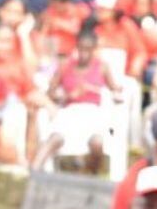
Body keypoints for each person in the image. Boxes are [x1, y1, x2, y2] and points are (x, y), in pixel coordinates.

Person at [31, 26, 124, 173]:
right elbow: (50, 94)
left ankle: (89, 176)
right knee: (54, 139)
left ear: (94, 49)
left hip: (93, 113)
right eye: (81, 49)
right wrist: (69, 96)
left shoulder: (102, 67)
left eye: (88, 50)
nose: (84, 54)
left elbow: (116, 91)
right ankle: (33, 175)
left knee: (97, 144)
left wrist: (94, 89)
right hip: (69, 112)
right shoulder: (65, 66)